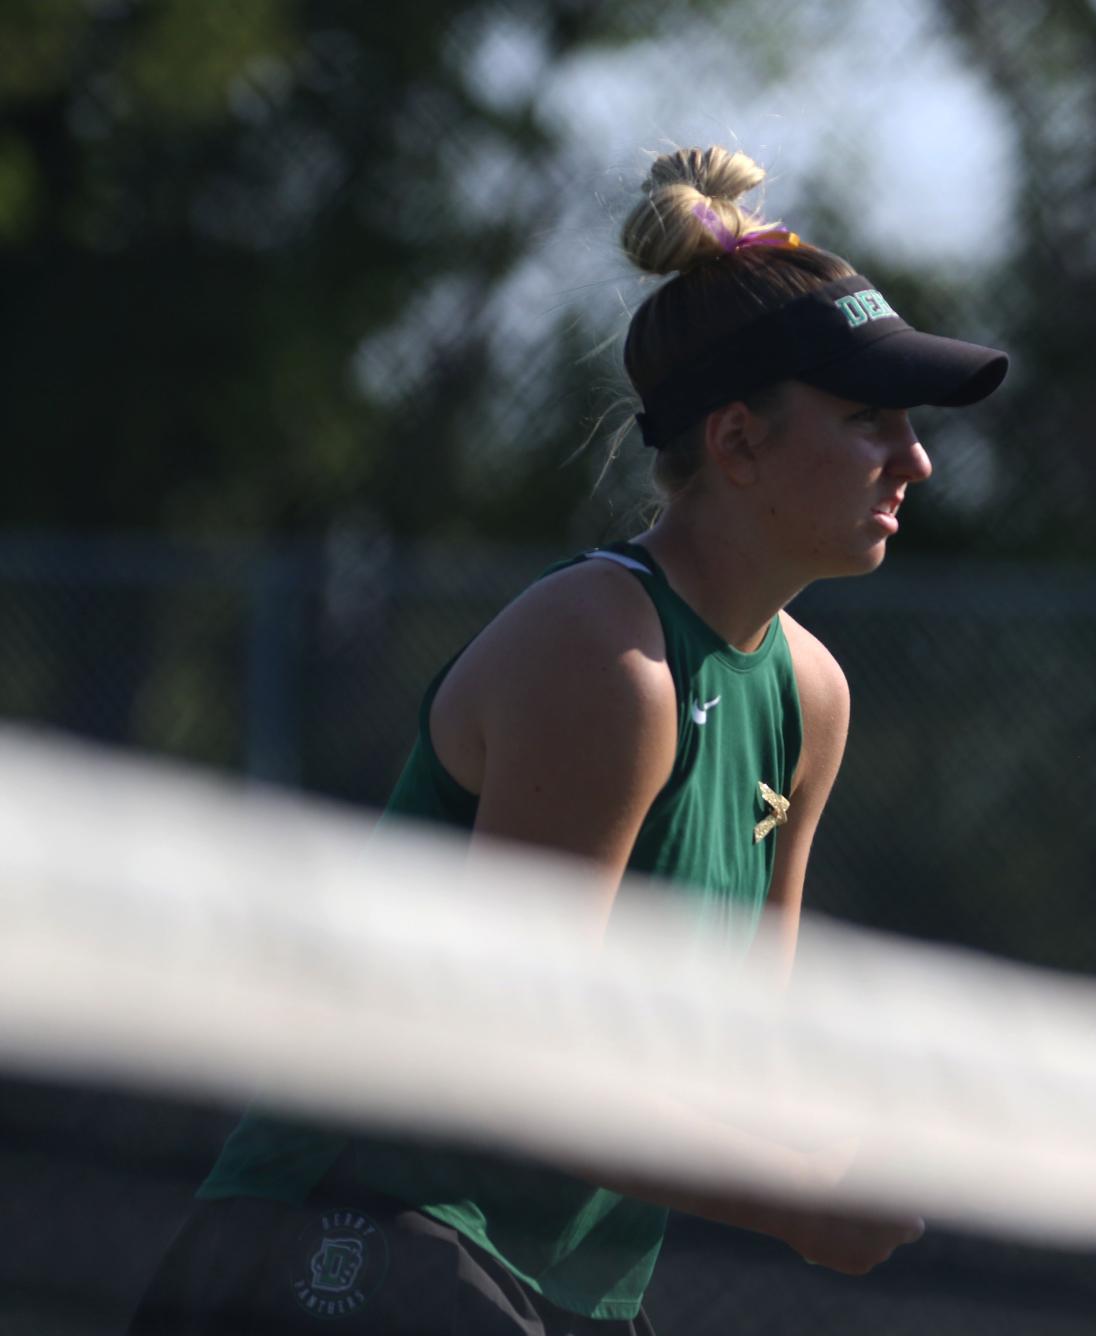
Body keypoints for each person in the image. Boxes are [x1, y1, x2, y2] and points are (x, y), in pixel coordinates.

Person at [127, 144, 1008, 1334]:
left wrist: (1012, 1116)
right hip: (362, 1228)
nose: (916, 459)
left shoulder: (813, 698)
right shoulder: (608, 656)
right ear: (739, 444)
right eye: (867, 419)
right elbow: (511, 1066)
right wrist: (795, 1200)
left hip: (554, 1281)